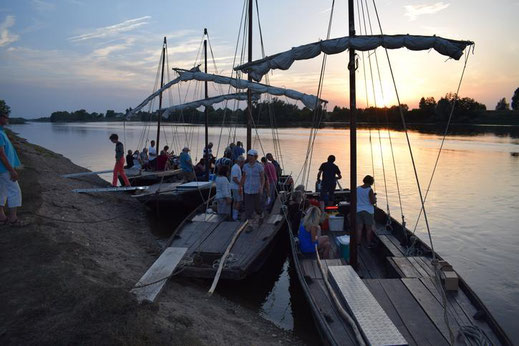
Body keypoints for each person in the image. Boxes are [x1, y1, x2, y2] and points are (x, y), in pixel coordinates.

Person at [0, 111, 24, 226]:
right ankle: (13, 219)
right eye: (5, 117)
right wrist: (12, 170)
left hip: (3, 169)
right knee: (15, 191)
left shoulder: (1, 132)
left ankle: (1, 217)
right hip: (4, 169)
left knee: (2, 191)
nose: (7, 119)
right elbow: (1, 154)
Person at [240, 149, 267, 232]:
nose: (249, 157)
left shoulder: (259, 166)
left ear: (255, 157)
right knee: (248, 208)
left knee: (257, 207)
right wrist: (240, 187)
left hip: (256, 190)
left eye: (251, 156)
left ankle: (261, 215)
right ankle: (250, 225)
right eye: (248, 155)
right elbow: (244, 177)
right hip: (247, 190)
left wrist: (261, 187)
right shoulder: (245, 166)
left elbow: (263, 178)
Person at [357, 175, 377, 248]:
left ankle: (358, 243)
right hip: (368, 211)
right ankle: (368, 244)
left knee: (359, 228)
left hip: (358, 210)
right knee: (369, 229)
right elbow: (372, 202)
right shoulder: (369, 190)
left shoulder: (358, 188)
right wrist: (375, 199)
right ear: (371, 182)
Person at [230, 155, 245, 221]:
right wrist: (241, 184)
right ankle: (235, 216)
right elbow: (234, 178)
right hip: (237, 187)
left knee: (235, 201)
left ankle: (234, 215)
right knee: (238, 201)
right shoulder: (236, 168)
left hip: (235, 187)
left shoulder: (236, 167)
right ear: (241, 162)